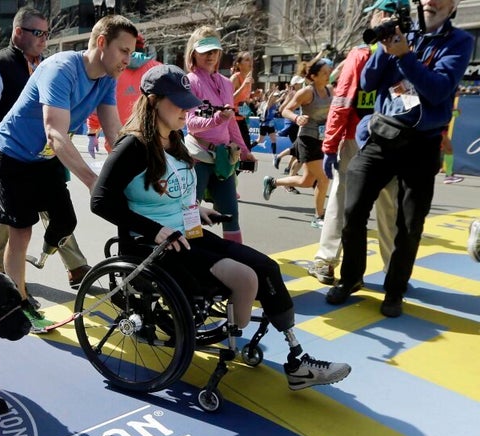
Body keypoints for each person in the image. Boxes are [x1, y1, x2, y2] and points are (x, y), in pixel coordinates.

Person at [91, 64, 352, 390]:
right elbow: (100, 202)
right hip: (153, 247)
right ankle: (236, 335)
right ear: (154, 101)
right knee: (245, 279)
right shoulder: (132, 146)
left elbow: (174, 192)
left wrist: (198, 210)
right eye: (179, 103)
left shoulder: (174, 139)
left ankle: (297, 360)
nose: (186, 110)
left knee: (267, 268)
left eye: (188, 102)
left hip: (187, 235)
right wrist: (154, 230)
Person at [0, 15, 138, 331]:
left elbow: (114, 132)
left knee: (66, 221)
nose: (128, 59)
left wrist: (139, 172)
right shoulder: (61, 69)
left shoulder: (107, 78)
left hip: (45, 158)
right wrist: (94, 181)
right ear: (101, 43)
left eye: (131, 52)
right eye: (124, 51)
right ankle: (18, 302)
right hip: (13, 153)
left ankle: (43, 256)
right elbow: (55, 133)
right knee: (21, 233)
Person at [326, 0, 472, 317]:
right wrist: (385, 46)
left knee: (409, 224)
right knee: (353, 211)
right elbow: (368, 82)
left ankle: (394, 290)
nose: (432, 1)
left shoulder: (460, 41)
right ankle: (351, 278)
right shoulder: (401, 32)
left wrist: (405, 56)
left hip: (422, 144)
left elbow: (438, 90)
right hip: (381, 137)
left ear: (453, 5)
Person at [0, 7, 92, 297]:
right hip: (9, 155)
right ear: (18, 32)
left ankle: (76, 266)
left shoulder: (48, 65)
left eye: (47, 33)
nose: (44, 39)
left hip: (45, 153)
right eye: (38, 33)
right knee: (5, 218)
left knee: (57, 211)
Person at [308, 0, 402, 285]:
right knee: (390, 208)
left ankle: (326, 261)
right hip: (394, 140)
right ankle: (394, 270)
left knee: (341, 201)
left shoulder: (361, 54)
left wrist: (329, 146)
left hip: (355, 140)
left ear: (380, 16)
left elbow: (342, 102)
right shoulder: (408, 53)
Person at [184, 26, 256, 244]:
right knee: (191, 217)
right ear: (193, 53)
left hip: (224, 159)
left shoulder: (225, 83)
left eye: (214, 50)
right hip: (197, 156)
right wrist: (217, 118)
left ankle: (237, 258)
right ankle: (189, 257)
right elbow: (191, 123)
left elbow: (231, 122)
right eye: (205, 51)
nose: (211, 55)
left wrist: (245, 151)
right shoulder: (189, 81)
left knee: (231, 215)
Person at [264, 56, 334, 229]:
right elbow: (284, 110)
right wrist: (297, 118)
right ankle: (318, 217)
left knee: (307, 182)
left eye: (329, 72)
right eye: (324, 73)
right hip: (307, 139)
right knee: (323, 179)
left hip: (322, 139)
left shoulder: (330, 90)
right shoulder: (307, 92)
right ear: (313, 76)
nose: (328, 75)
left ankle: (273, 182)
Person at [86, 32, 161, 157]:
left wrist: (92, 132)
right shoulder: (158, 70)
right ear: (143, 47)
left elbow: (97, 105)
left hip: (117, 144)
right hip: (152, 143)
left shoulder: (110, 71)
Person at [229, 51, 254, 151]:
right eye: (247, 60)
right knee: (234, 151)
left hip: (242, 118)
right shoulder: (235, 78)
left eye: (251, 60)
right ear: (239, 64)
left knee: (247, 149)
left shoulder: (248, 78)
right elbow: (228, 99)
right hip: (232, 119)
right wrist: (243, 85)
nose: (250, 62)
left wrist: (253, 96)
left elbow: (243, 100)